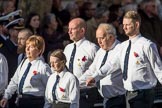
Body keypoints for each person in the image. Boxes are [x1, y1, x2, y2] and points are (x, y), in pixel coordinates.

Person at [86, 11, 162, 108]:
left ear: (137, 24)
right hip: (128, 94)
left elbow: (159, 70)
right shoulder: (122, 46)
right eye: (123, 24)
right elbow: (111, 65)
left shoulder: (147, 45)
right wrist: (95, 77)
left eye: (127, 24)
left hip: (144, 93)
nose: (124, 27)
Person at [79, 23, 126, 108]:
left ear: (111, 37)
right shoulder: (101, 51)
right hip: (106, 99)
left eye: (102, 38)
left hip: (119, 100)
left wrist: (94, 78)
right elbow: (91, 70)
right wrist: (76, 83)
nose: (99, 42)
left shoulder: (120, 49)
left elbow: (110, 66)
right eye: (97, 38)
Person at [0, 35, 52, 108]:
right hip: (21, 101)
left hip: (35, 102)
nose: (27, 49)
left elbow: (50, 89)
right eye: (27, 45)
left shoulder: (43, 67)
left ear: (39, 50)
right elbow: (14, 81)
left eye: (31, 47)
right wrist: (6, 97)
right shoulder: (24, 62)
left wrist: (47, 106)